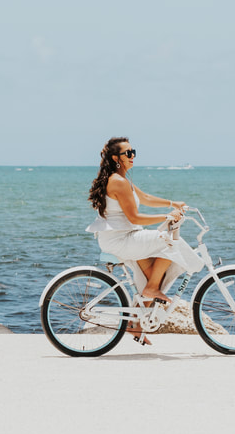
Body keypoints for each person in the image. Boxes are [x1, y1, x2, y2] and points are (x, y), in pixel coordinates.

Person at [86, 136, 202, 345]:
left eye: (133, 152)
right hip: (120, 240)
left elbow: (145, 198)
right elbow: (135, 218)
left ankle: (136, 324)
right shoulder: (118, 182)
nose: (132, 156)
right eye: (127, 153)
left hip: (124, 236)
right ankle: (150, 292)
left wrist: (172, 203)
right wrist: (167, 217)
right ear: (116, 158)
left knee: (154, 275)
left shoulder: (123, 179)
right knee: (169, 240)